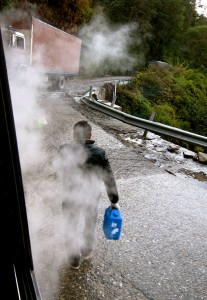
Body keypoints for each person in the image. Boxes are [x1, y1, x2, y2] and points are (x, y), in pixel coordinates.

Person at [57, 120, 120, 269]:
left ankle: (73, 259)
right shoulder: (100, 153)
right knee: (89, 223)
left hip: (70, 197)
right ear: (90, 135)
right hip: (91, 197)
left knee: (71, 225)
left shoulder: (64, 149)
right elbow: (109, 178)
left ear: (74, 134)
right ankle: (86, 250)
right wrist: (114, 200)